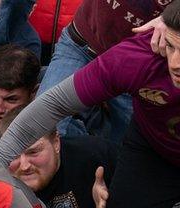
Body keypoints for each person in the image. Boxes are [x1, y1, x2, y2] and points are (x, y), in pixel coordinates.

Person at [0, 1, 180, 208]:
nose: (175, 62)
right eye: (171, 47)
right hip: (153, 149)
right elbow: (51, 106)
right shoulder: (141, 56)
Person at [36, 0, 174, 141]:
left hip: (131, 67)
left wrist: (171, 18)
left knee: (131, 144)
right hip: (80, 45)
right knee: (40, 129)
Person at [0, 108, 115, 208]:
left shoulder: (95, 157)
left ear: (56, 142)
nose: (24, 166)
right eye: (13, 154)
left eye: (34, 152)